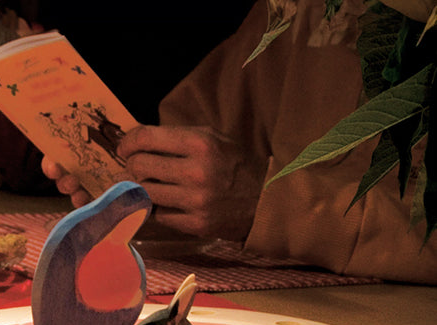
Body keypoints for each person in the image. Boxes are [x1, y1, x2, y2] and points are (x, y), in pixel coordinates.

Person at [42, 0, 437, 284]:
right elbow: (202, 127)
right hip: (286, 305)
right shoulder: (295, 11)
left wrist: (267, 205)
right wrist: (147, 178)